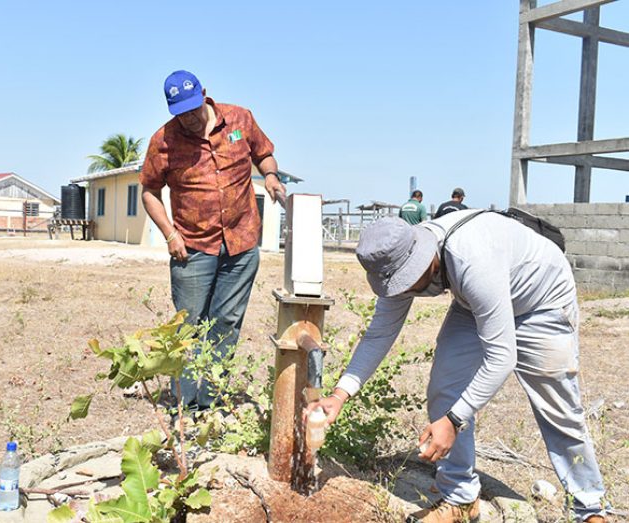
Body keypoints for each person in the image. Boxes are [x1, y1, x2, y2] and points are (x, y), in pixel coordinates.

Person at [309, 211, 609, 522]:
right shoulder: (394, 260)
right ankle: (460, 497)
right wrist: (340, 394)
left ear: (427, 259)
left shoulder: (472, 261)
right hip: (476, 300)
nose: (404, 290)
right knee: (445, 385)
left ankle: (589, 508)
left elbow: (502, 357)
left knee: (557, 407)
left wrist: (453, 421)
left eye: (409, 282)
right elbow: (380, 333)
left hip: (540, 300)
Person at [140, 70, 284, 410]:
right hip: (191, 247)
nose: (189, 118)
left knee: (226, 322)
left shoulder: (239, 119)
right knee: (188, 326)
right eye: (180, 113)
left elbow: (263, 154)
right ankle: (185, 402)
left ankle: (211, 397)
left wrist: (272, 176)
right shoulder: (163, 141)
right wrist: (170, 234)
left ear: (204, 94)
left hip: (241, 242)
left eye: (193, 108)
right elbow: (149, 191)